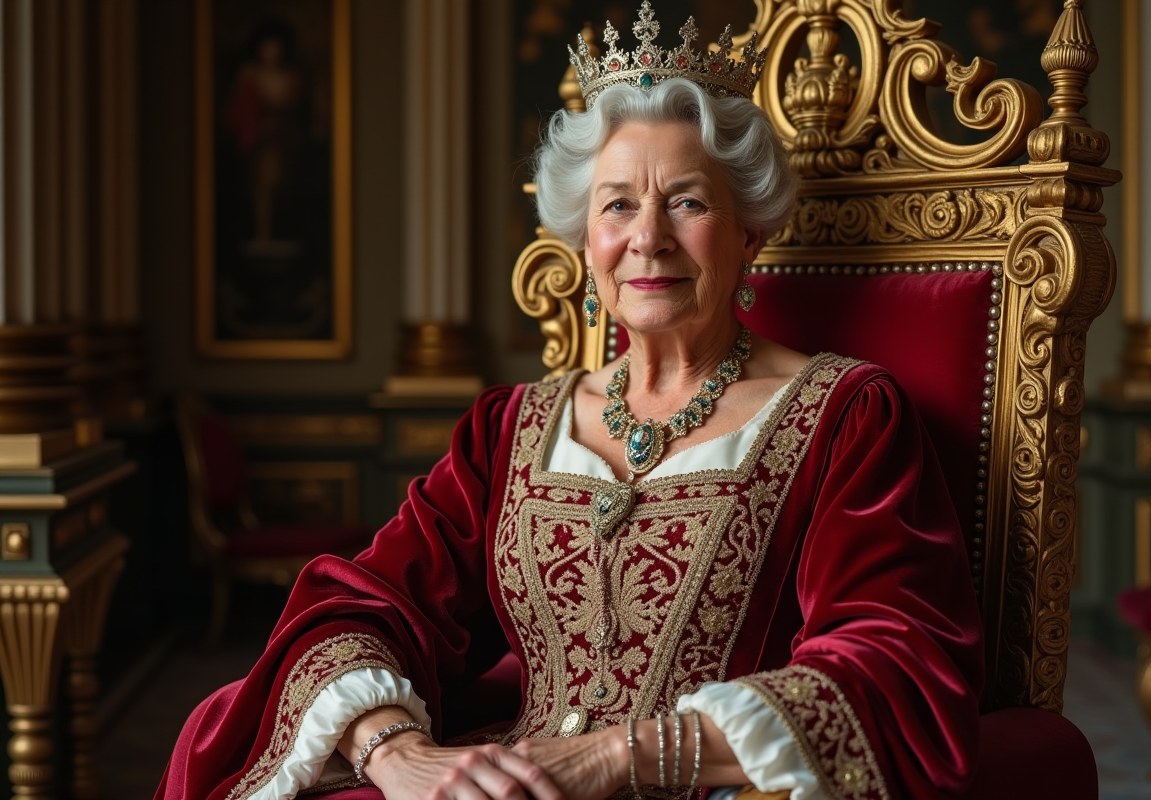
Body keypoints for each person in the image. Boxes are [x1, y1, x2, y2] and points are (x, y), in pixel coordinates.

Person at [157, 5, 983, 799]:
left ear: (750, 233)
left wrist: (617, 756)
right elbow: (365, 602)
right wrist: (398, 754)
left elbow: (895, 658)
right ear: (586, 241)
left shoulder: (844, 417)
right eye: (618, 204)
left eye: (688, 202)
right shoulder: (508, 429)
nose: (647, 237)